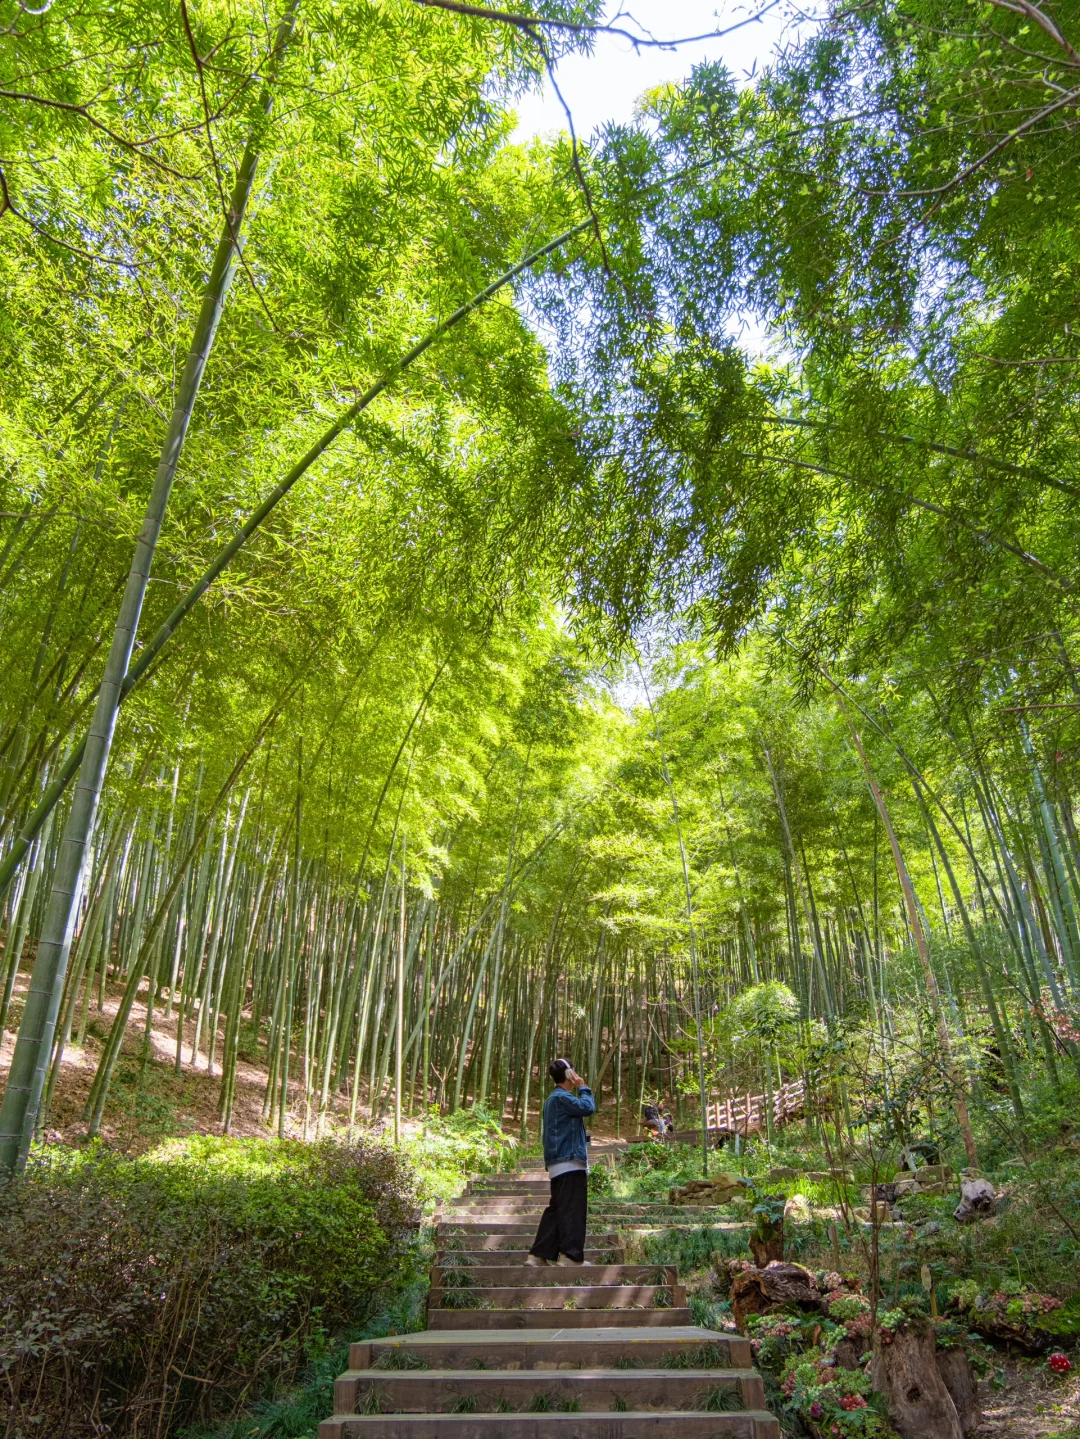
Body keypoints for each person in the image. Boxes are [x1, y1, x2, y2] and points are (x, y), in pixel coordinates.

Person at [527, 1058, 595, 1267]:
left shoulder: (553, 1099)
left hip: (559, 1163)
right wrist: (582, 1086)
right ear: (569, 1074)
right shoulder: (562, 1098)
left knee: (557, 1210)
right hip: (569, 1161)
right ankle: (570, 1256)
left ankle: (538, 1255)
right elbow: (588, 1107)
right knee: (573, 1209)